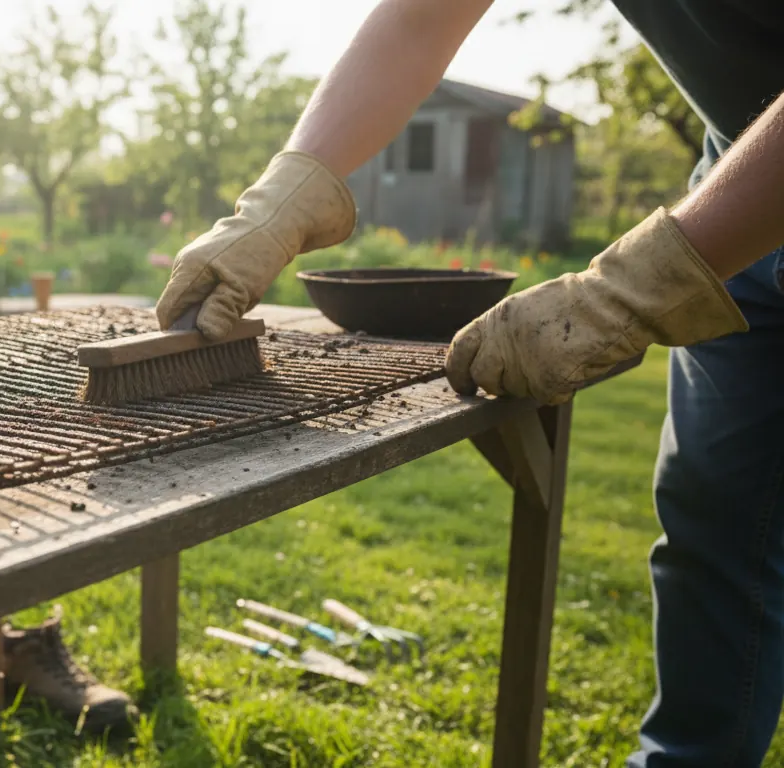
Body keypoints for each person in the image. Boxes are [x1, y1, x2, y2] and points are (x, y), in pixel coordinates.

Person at [154, 0, 784, 765]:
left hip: (741, 210)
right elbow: (422, 18)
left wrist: (629, 290)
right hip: (738, 192)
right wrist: (286, 195)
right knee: (715, 524)